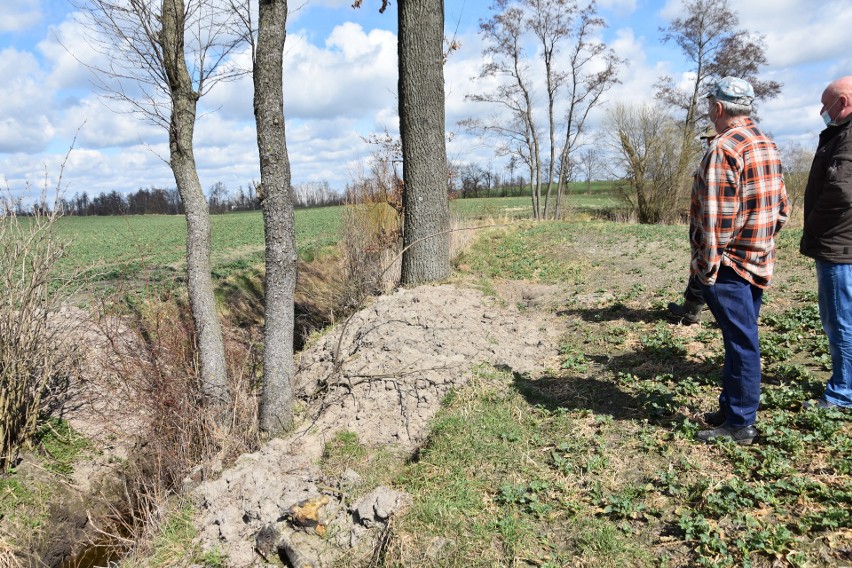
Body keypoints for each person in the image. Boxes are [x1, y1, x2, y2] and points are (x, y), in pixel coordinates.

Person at [689, 76, 789, 444]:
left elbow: (716, 221)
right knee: (737, 338)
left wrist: (708, 269)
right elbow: (782, 210)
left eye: (709, 106)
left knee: (742, 343)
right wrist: (761, 242)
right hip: (757, 260)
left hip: (728, 266)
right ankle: (731, 408)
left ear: (718, 108)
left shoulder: (723, 149)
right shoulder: (767, 144)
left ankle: (741, 423)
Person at [799, 76, 852, 411]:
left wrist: (815, 226)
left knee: (840, 317)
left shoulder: (847, 139)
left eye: (826, 104)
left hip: (839, 245)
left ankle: (843, 392)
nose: (822, 111)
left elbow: (841, 191)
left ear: (844, 103)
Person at [668, 125, 718, 325]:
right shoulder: (712, 157)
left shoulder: (720, 157)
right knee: (705, 268)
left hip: (711, 227)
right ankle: (691, 309)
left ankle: (691, 311)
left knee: (705, 267)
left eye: (711, 137)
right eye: (707, 138)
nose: (708, 141)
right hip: (703, 224)